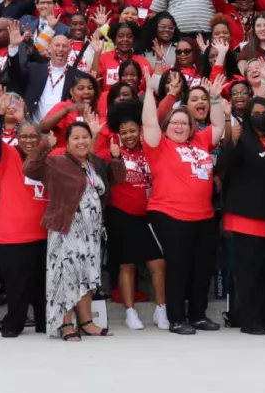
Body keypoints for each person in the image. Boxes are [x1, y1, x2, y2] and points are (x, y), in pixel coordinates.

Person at [25, 116, 123, 340]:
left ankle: (87, 322)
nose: (81, 141)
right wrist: (44, 146)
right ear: (66, 142)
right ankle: (65, 324)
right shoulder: (56, 162)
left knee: (87, 276)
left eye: (85, 137)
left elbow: (116, 179)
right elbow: (29, 168)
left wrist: (117, 159)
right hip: (66, 229)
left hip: (91, 232)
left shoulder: (94, 163)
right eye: (76, 138)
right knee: (66, 277)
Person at [142, 82, 225, 334]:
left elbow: (219, 126)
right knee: (178, 267)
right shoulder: (159, 146)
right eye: (174, 123)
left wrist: (216, 99)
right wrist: (148, 91)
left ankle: (198, 315)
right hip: (170, 214)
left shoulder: (200, 142)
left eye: (184, 123)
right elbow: (147, 123)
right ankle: (176, 318)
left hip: (204, 215)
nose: (179, 127)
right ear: (166, 127)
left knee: (202, 267)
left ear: (191, 128)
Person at [218, 98, 265, 335]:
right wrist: (232, 140)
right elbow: (225, 164)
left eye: (264, 112)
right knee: (250, 274)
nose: (260, 116)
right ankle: (248, 320)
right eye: (255, 112)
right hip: (247, 217)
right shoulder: (242, 138)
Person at [102, 95, 165, 331]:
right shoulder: (111, 153)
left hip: (148, 215)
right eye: (124, 132)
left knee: (158, 263)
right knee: (126, 265)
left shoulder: (150, 150)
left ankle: (161, 309)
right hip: (120, 215)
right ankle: (130, 312)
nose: (128, 136)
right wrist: (116, 157)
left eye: (132, 131)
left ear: (140, 130)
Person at [0, 103, 49, 337]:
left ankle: (44, 322)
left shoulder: (48, 159)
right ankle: (14, 323)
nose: (29, 140)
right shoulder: (8, 156)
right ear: (17, 138)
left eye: (34, 136)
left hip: (42, 234)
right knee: (16, 286)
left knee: (42, 285)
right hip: (12, 235)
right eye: (24, 136)